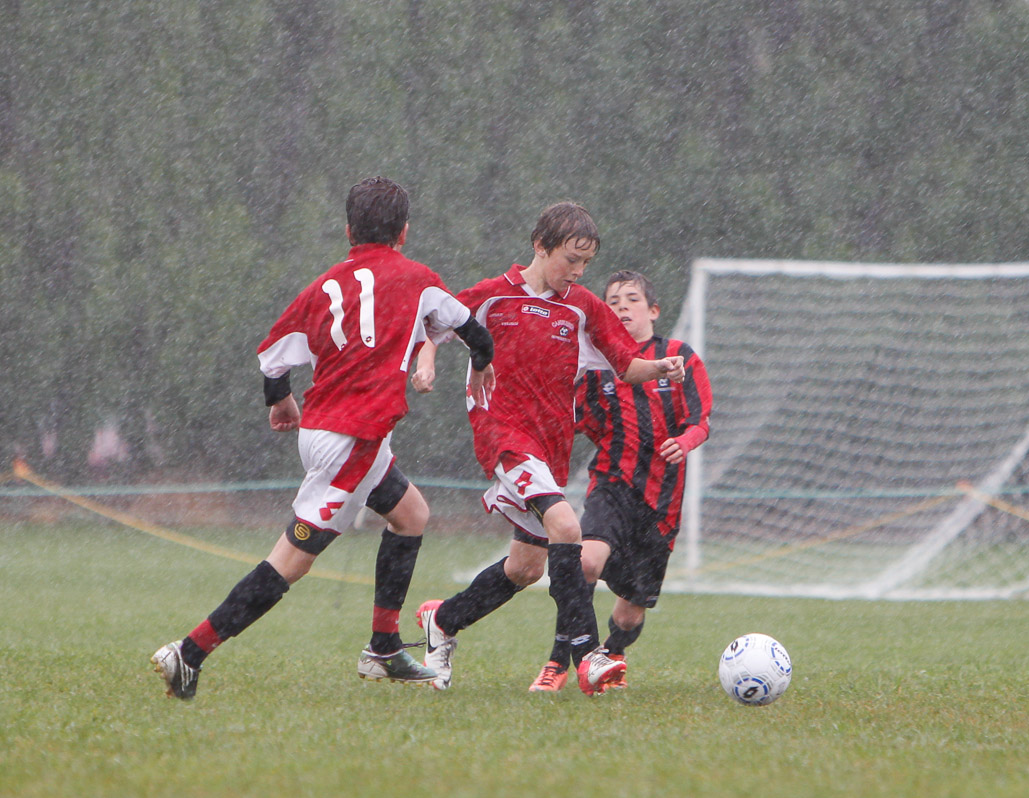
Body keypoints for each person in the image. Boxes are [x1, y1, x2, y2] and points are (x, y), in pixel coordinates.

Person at [150, 176, 496, 700]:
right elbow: (476, 332)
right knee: (291, 561)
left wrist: (280, 401)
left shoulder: (324, 286)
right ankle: (189, 652)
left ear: (348, 230)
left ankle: (383, 646)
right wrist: (482, 363)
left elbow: (272, 357)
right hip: (352, 441)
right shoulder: (419, 279)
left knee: (411, 514)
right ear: (404, 232)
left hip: (327, 430)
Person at [411, 202, 685, 696]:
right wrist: (426, 363)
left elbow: (627, 366)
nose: (578, 272)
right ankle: (588, 657)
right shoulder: (492, 295)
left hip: (550, 447)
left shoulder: (582, 306)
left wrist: (661, 368)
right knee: (567, 526)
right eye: (571, 259)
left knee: (525, 568)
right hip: (503, 434)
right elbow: (434, 324)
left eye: (586, 263)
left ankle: (444, 621)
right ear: (540, 246)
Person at [528, 269, 711, 692]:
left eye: (632, 300)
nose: (622, 307)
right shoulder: (597, 365)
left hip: (661, 501)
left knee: (630, 613)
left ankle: (612, 654)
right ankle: (557, 662)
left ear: (653, 310)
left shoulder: (678, 356)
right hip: (611, 485)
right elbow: (569, 418)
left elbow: (701, 420)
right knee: (584, 563)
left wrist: (684, 441)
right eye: (613, 302)